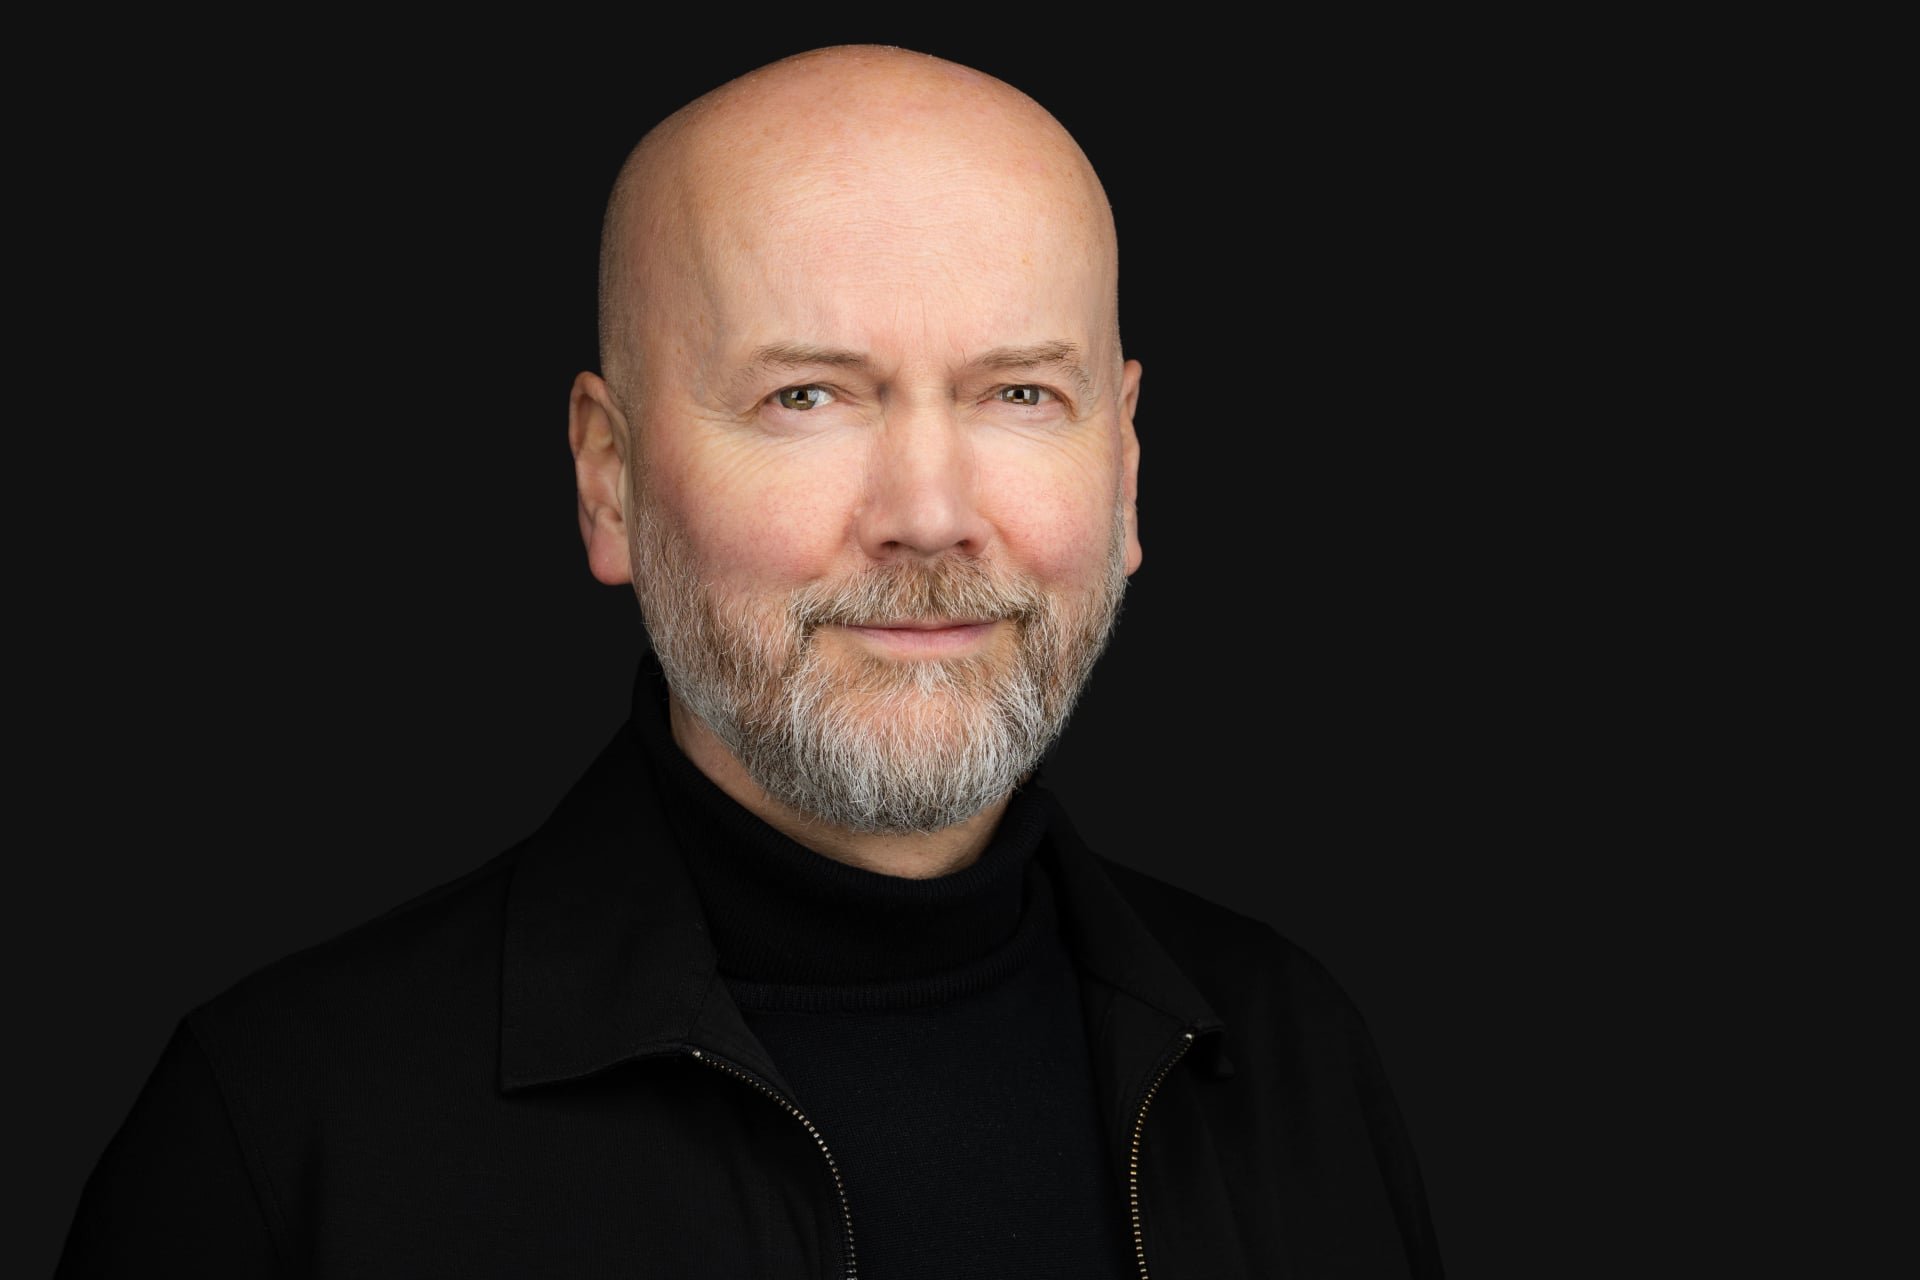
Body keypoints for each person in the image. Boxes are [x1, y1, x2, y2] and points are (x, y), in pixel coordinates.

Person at [57, 45, 1442, 1278]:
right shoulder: (290, 1134)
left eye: (1019, 392)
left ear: (1128, 464)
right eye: (807, 397)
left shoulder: (1285, 1058)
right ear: (610, 481)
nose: (928, 512)